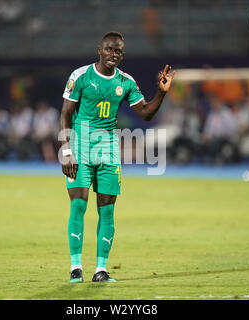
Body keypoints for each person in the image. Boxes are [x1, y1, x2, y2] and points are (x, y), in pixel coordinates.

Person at [59, 31, 175, 283]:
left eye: (118, 51)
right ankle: (75, 267)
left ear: (123, 55)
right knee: (78, 205)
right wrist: (66, 151)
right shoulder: (80, 76)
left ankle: (100, 270)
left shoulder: (126, 82)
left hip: (109, 150)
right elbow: (66, 114)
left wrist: (161, 93)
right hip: (80, 145)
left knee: (107, 210)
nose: (113, 54)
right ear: (99, 50)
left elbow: (145, 113)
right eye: (109, 49)